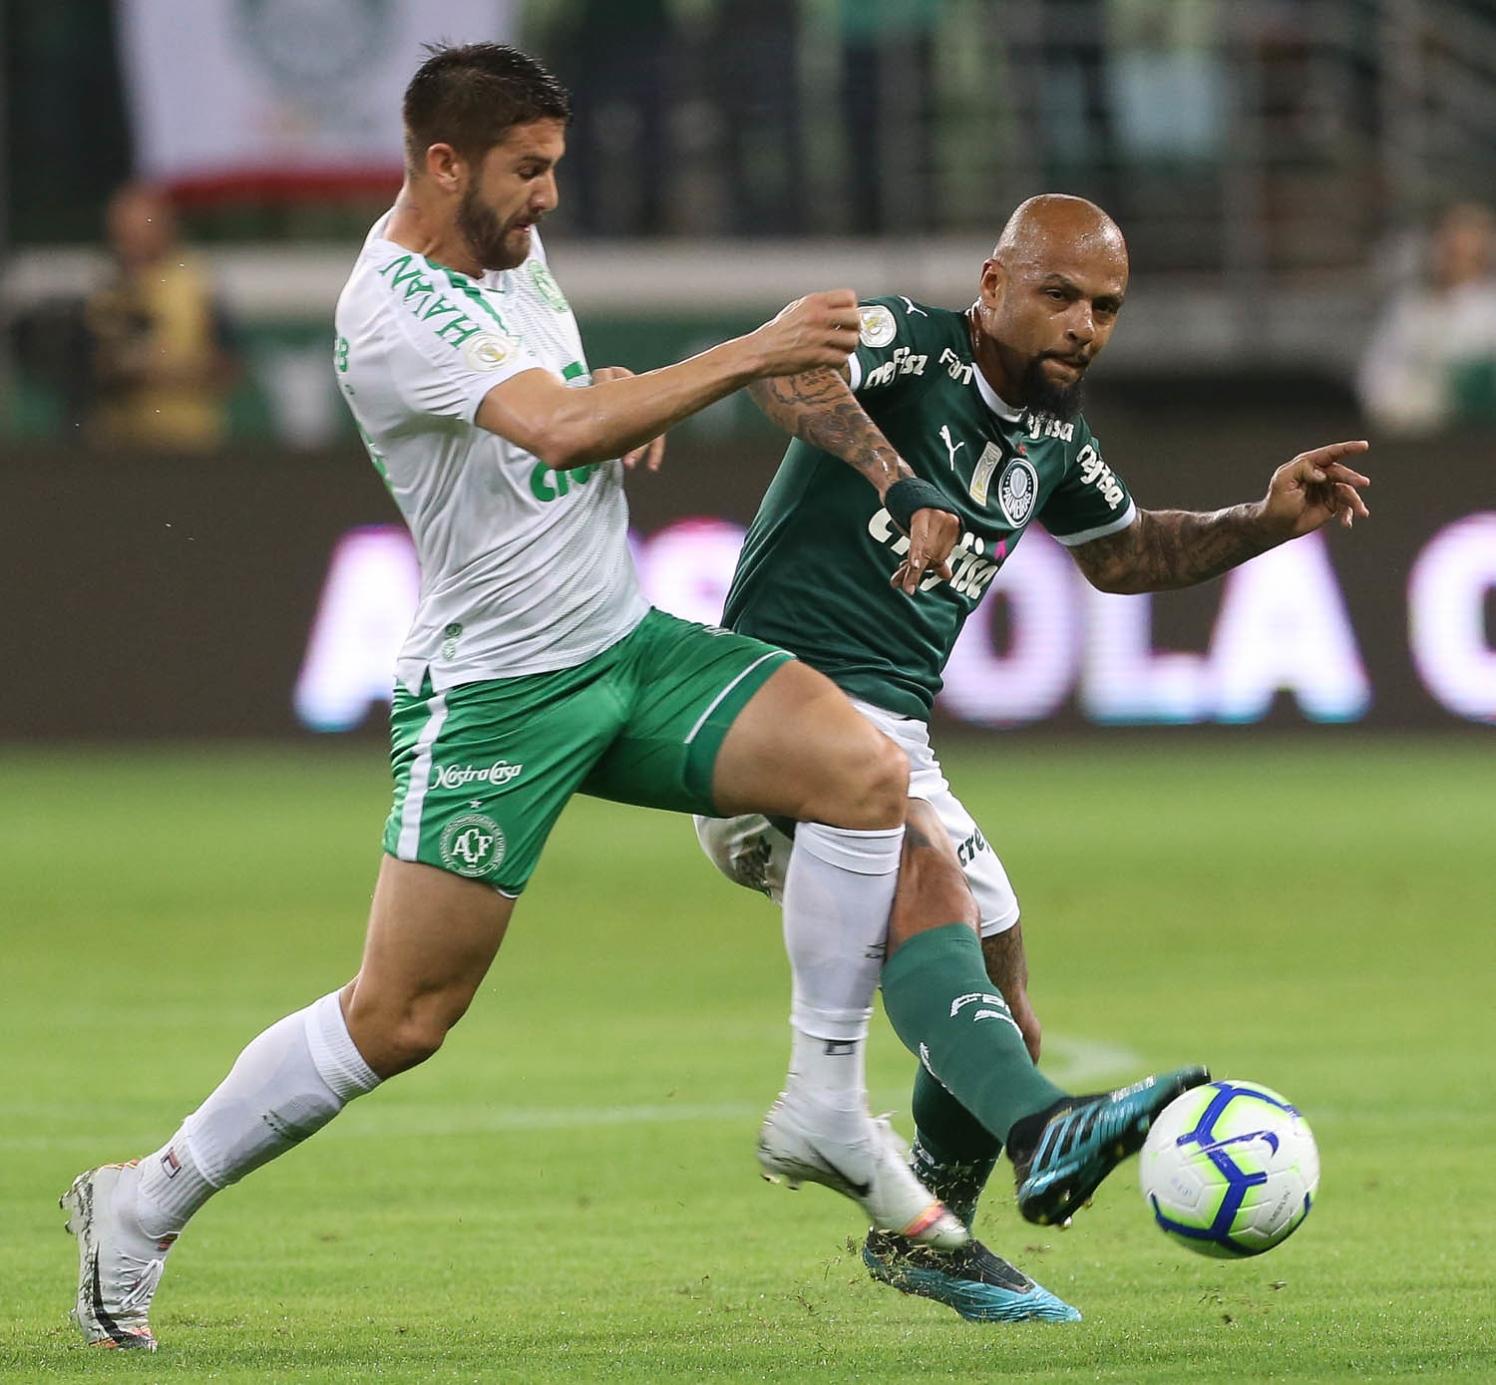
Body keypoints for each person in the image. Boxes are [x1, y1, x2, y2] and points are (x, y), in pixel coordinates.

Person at [60, 42, 980, 1353]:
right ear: (444, 164)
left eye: (554, 166)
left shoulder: (503, 249)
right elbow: (548, 430)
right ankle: (140, 1202)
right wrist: (750, 352)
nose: (548, 195)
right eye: (528, 170)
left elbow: (561, 404)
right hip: (498, 694)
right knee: (402, 1014)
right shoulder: (394, 305)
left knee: (863, 774)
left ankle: (823, 1104)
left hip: (624, 645)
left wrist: (613, 394)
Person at [697, 193, 1372, 1321]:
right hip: (778, 710)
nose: (1080, 324)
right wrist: (888, 475)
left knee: (1004, 994)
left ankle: (926, 1229)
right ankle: (1041, 1127)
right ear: (993, 282)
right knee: (934, 888)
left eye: (1103, 306)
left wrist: (1261, 518)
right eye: (1057, 294)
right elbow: (784, 369)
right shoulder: (910, 342)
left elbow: (1127, 554)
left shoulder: (1054, 438)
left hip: (888, 737)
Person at [83, 183, 237, 453]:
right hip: (120, 442)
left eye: (141, 229)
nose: (132, 240)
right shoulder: (106, 290)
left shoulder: (197, 284)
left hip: (189, 442)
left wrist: (169, 371)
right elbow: (87, 368)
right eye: (125, 231)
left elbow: (231, 364)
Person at [1357, 202, 1496, 435]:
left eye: (1466, 239)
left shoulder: (1490, 308)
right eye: (1447, 239)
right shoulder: (1408, 306)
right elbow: (1375, 373)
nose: (1454, 248)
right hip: (1410, 438)